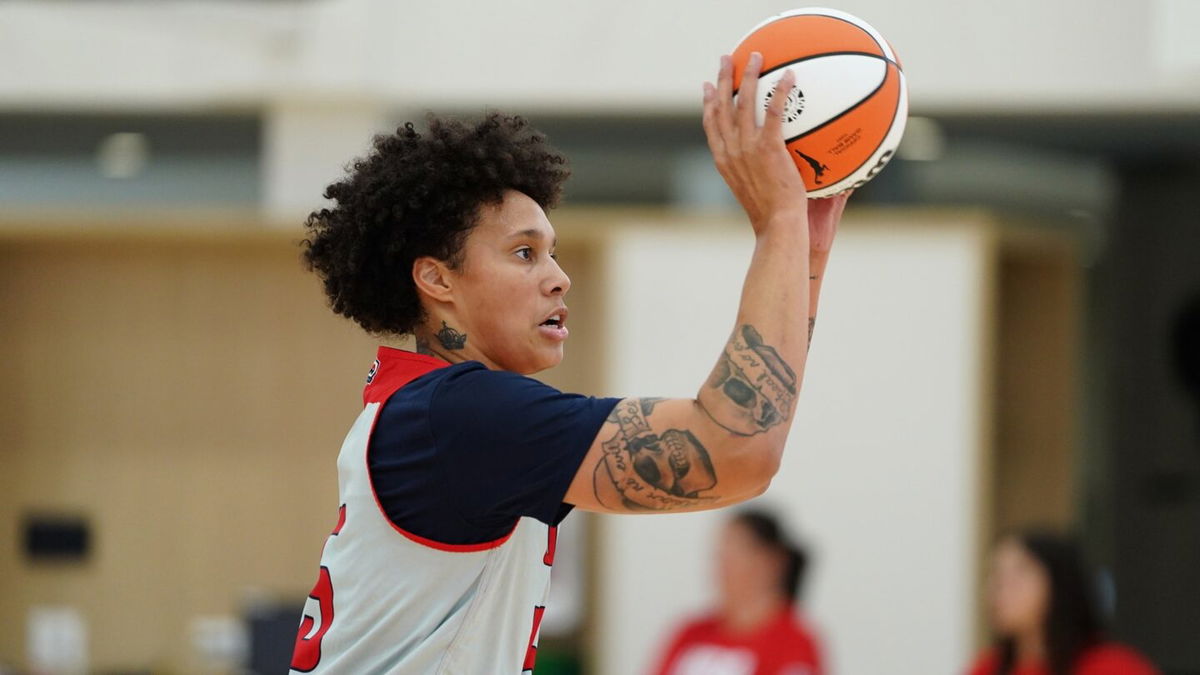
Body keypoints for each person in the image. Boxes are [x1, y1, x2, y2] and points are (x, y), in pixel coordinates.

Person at [289, 52, 850, 674]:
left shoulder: (434, 414)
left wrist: (805, 251)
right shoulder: (462, 416)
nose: (559, 278)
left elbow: (747, 446)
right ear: (437, 279)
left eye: (551, 253)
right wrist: (778, 226)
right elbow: (736, 452)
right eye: (524, 253)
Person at [652, 510, 824, 675]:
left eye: (735, 552)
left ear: (771, 561)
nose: (722, 565)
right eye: (720, 554)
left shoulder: (794, 642)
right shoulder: (691, 632)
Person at [967, 530, 1159, 675]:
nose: (998, 589)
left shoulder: (1114, 667)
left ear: (1059, 584)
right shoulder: (988, 667)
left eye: (1017, 575)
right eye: (996, 576)